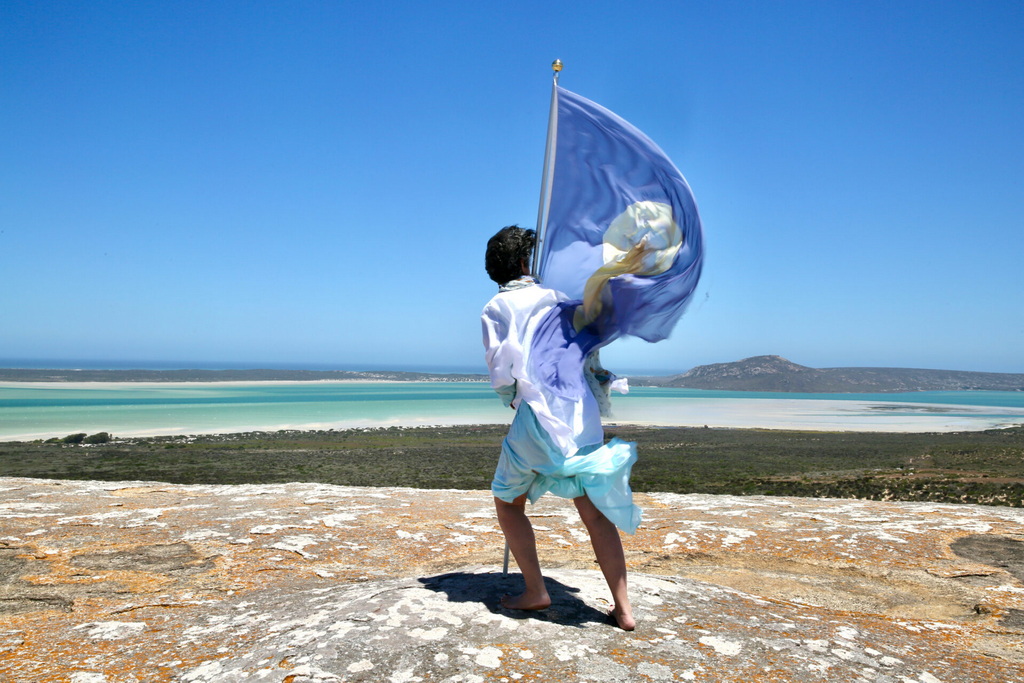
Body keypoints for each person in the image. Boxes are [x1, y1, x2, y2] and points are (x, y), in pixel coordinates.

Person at [481, 225, 640, 631]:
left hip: (538, 415)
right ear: (524, 262)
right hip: (579, 413)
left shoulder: (496, 308)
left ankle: (535, 590)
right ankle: (623, 609)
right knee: (596, 513)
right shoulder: (558, 299)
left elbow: (501, 372)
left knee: (507, 500)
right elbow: (587, 344)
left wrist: (512, 399)